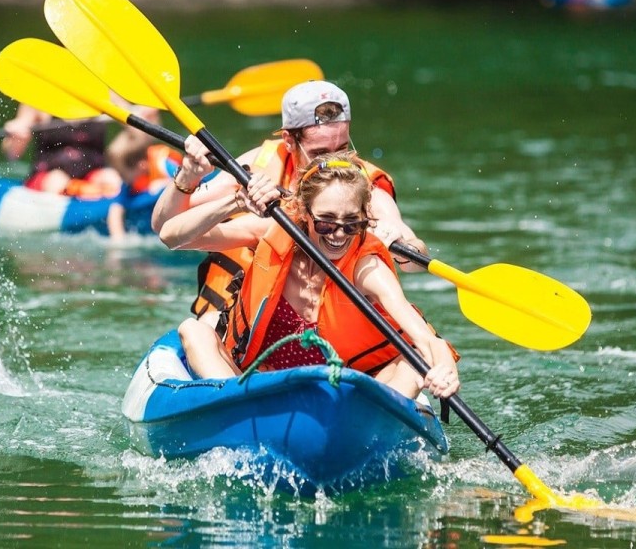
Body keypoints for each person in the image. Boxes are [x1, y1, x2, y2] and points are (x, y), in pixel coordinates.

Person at [159, 151, 460, 400]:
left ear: (364, 217)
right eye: (326, 222)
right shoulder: (275, 231)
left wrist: (445, 368)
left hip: (342, 401)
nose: (339, 235)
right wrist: (237, 201)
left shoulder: (366, 267)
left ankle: (370, 432)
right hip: (258, 393)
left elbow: (426, 338)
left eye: (351, 223)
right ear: (304, 212)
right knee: (194, 330)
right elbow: (171, 236)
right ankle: (236, 412)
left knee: (411, 364)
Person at [151, 80, 428, 328]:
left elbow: (413, 256)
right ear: (288, 140)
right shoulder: (254, 168)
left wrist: (402, 248)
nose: (331, 163)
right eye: (319, 152)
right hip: (245, 310)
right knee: (202, 328)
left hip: (329, 321)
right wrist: (188, 178)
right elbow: (166, 227)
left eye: (341, 149)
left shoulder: (364, 185)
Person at [1, 104, 122, 199]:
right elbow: (12, 155)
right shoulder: (37, 94)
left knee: (112, 178)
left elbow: (133, 127)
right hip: (50, 175)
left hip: (91, 174)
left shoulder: (104, 93)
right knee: (57, 181)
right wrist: (17, 138)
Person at [105, 107, 184, 239]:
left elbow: (187, 181)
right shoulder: (129, 182)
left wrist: (165, 184)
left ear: (141, 165)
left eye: (123, 174)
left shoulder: (163, 164)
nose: (121, 178)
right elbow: (116, 209)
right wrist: (118, 239)